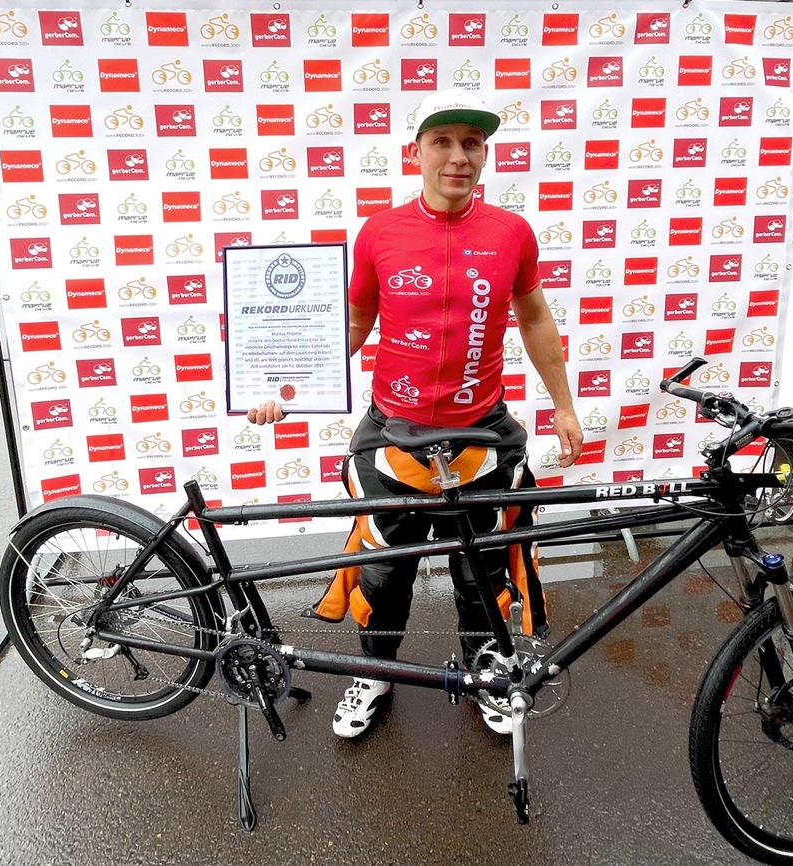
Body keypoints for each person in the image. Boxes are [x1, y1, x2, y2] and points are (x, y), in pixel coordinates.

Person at [249, 89, 582, 738]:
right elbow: (355, 320)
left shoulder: (511, 233)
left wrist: (563, 405)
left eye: (472, 144)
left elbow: (535, 315)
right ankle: (375, 673)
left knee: (480, 572)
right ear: (416, 152)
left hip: (481, 436)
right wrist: (288, 388)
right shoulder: (380, 231)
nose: (458, 157)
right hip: (394, 437)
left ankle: (487, 670)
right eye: (443, 142)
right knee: (385, 571)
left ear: (484, 155)